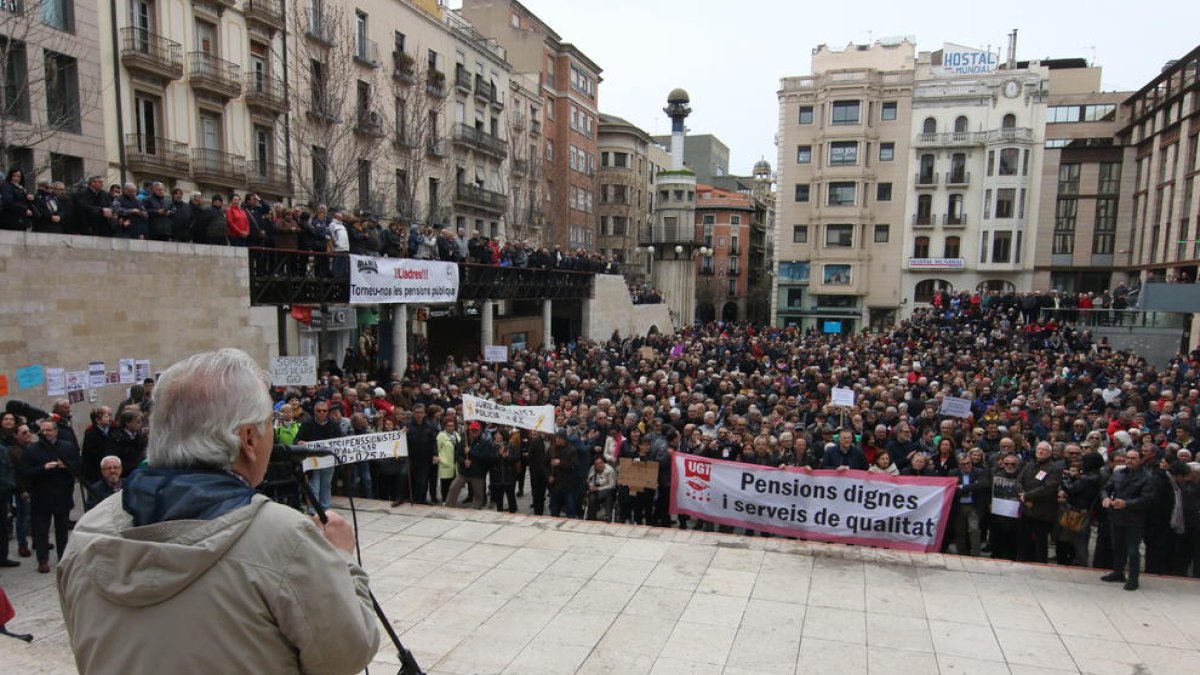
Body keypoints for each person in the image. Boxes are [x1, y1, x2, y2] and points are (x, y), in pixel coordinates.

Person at [57, 348, 380, 673]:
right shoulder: (284, 539)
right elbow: (347, 653)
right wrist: (340, 560)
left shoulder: (90, 530)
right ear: (249, 439)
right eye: (269, 422)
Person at [20, 418, 81, 573]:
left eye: (49, 430)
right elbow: (25, 473)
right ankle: (42, 560)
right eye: (44, 430)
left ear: (56, 431)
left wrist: (66, 465)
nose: (46, 433)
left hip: (62, 495)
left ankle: (63, 558)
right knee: (41, 532)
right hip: (42, 497)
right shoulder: (31, 450)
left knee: (62, 531)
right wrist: (44, 468)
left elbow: (79, 466)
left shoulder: (67, 447)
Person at [1101, 449, 1157, 590]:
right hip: (1117, 516)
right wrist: (1105, 498)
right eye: (1128, 458)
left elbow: (1146, 499)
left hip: (1134, 518)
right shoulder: (1118, 473)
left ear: (1140, 459)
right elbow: (1106, 488)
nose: (1130, 460)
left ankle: (1133, 578)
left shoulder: (1146, 477)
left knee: (1132, 550)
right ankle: (1118, 572)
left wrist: (1127, 503)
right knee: (1118, 546)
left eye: (1134, 458)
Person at [296, 400, 343, 512]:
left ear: (327, 412)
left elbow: (341, 440)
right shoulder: (307, 424)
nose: (321, 413)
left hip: (328, 460)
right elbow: (297, 439)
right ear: (314, 411)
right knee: (314, 486)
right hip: (313, 460)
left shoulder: (333, 424)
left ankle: (325, 508)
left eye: (324, 410)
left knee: (326, 485)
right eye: (319, 410)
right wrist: (300, 442)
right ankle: (313, 510)